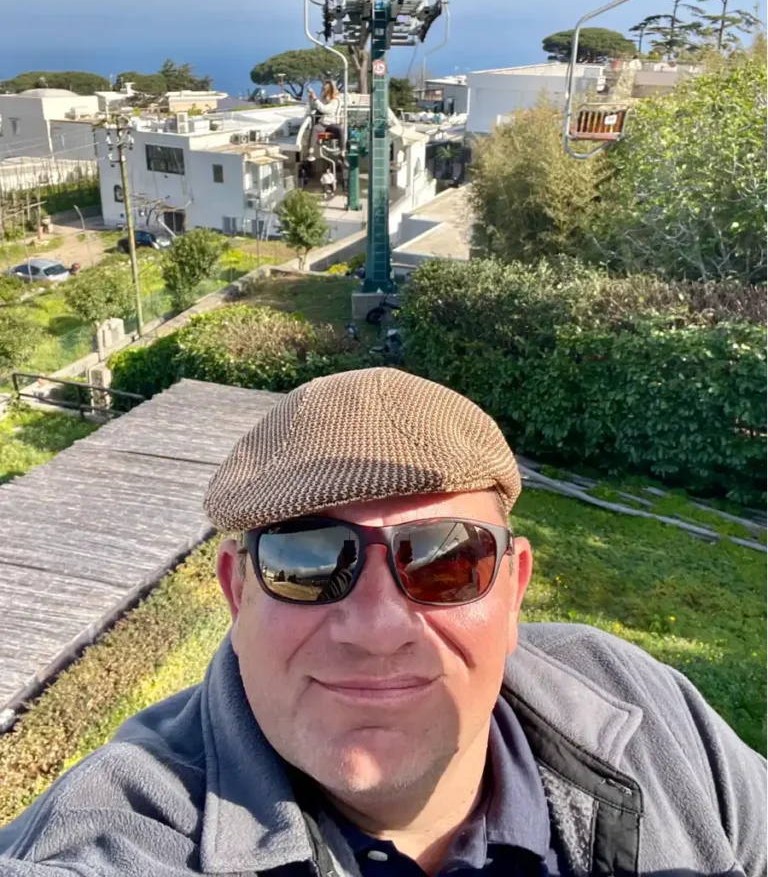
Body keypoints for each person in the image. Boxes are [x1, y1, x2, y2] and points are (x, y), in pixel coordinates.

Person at [1, 368, 766, 877]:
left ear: (514, 589)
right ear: (237, 594)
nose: (375, 627)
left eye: (442, 562)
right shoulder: (114, 836)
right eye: (306, 562)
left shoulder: (645, 709)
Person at [308, 79, 346, 155]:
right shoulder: (323, 98)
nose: (323, 91)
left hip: (332, 124)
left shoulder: (336, 100)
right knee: (315, 128)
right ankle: (310, 153)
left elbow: (325, 109)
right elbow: (315, 106)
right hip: (323, 123)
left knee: (340, 130)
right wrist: (311, 98)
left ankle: (343, 153)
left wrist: (315, 99)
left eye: (324, 90)